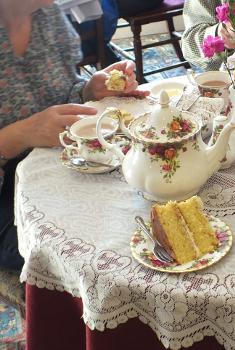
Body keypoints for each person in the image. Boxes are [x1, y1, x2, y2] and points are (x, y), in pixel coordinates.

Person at [0, 0, 147, 271]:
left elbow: (61, 90)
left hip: (56, 162)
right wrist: (20, 134)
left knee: (138, 210)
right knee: (94, 253)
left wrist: (90, 90)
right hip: (7, 196)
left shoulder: (46, 15)